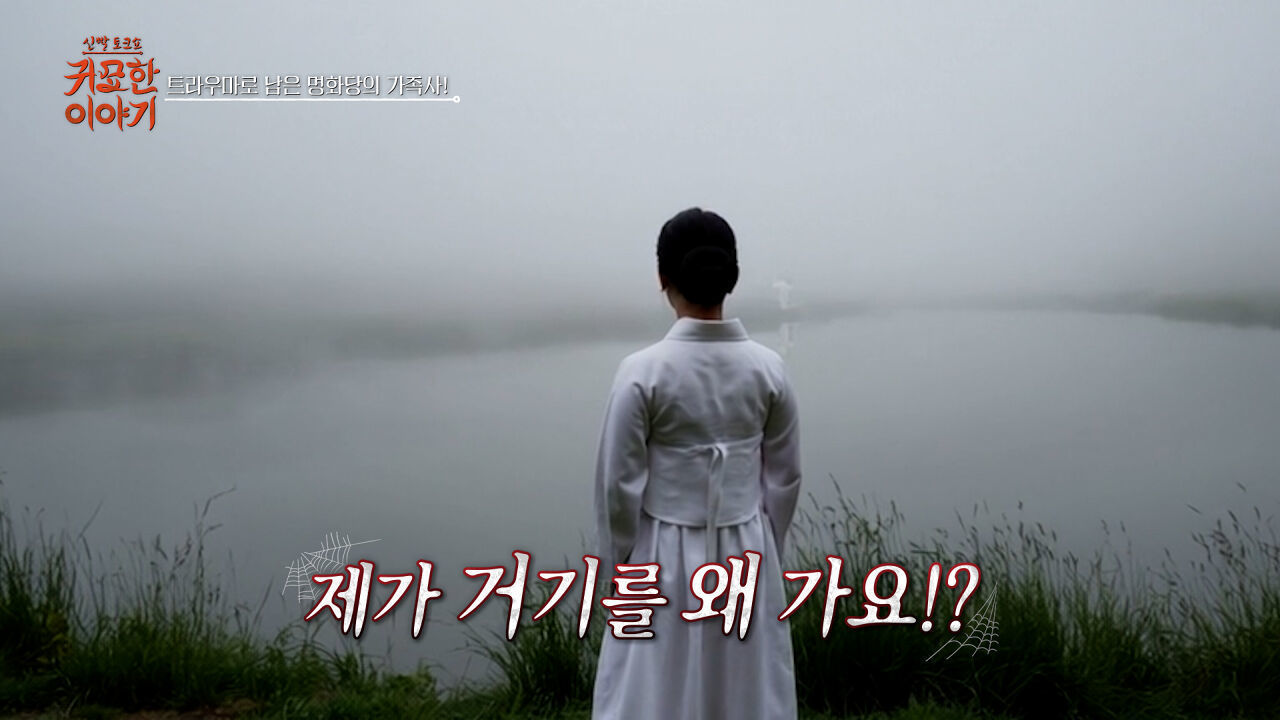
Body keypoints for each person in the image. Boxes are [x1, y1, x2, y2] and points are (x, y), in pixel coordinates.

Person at [591, 207, 802, 719]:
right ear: (732, 276)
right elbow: (785, 478)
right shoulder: (768, 370)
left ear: (663, 277)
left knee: (651, 687)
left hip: (659, 555)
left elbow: (617, 488)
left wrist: (617, 567)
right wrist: (765, 546)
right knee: (746, 688)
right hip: (747, 550)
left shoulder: (641, 373)